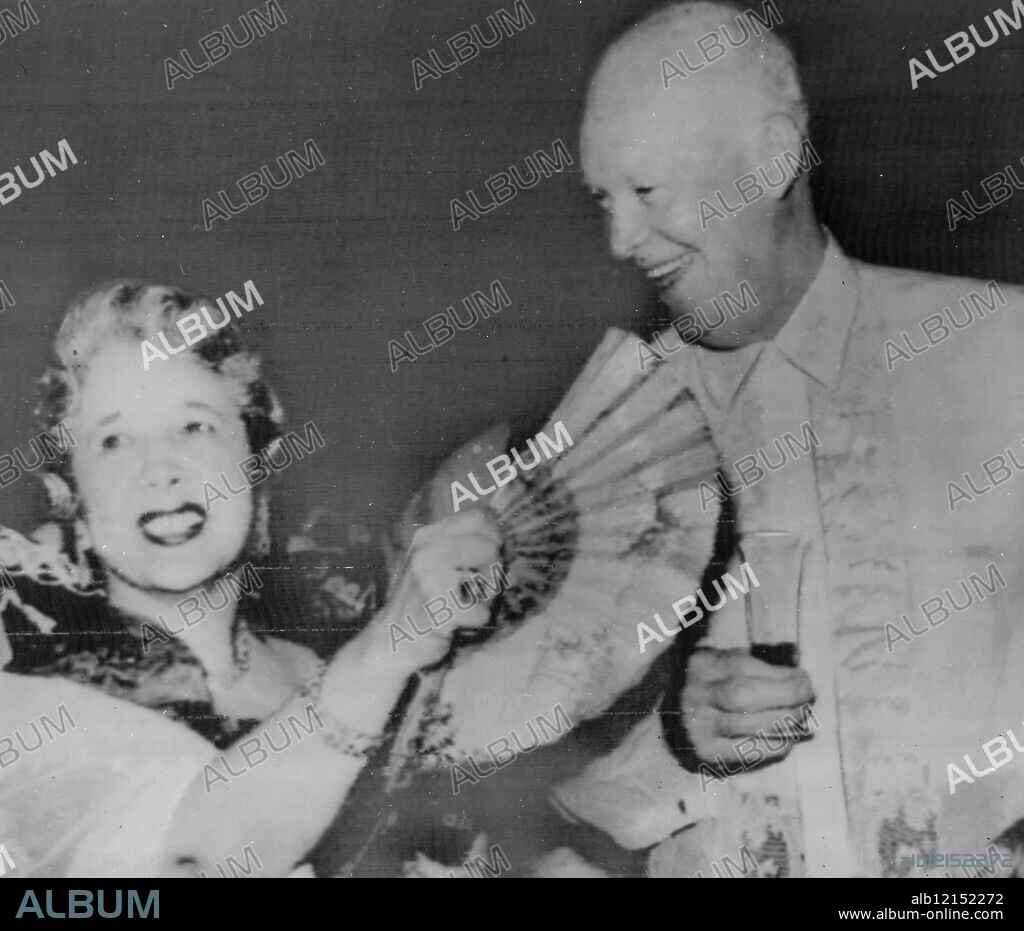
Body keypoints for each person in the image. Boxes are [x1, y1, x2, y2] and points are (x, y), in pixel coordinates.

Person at [552, 0, 1024, 877]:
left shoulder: (1001, 352)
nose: (620, 240)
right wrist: (672, 731)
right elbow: (521, 754)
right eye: (602, 200)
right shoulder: (608, 426)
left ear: (772, 159)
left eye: (647, 192)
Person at [0, 280, 501, 878]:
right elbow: (194, 859)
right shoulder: (28, 695)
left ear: (256, 460)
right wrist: (386, 651)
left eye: (194, 427)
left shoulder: (322, 671)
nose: (159, 469)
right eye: (113, 440)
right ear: (70, 493)